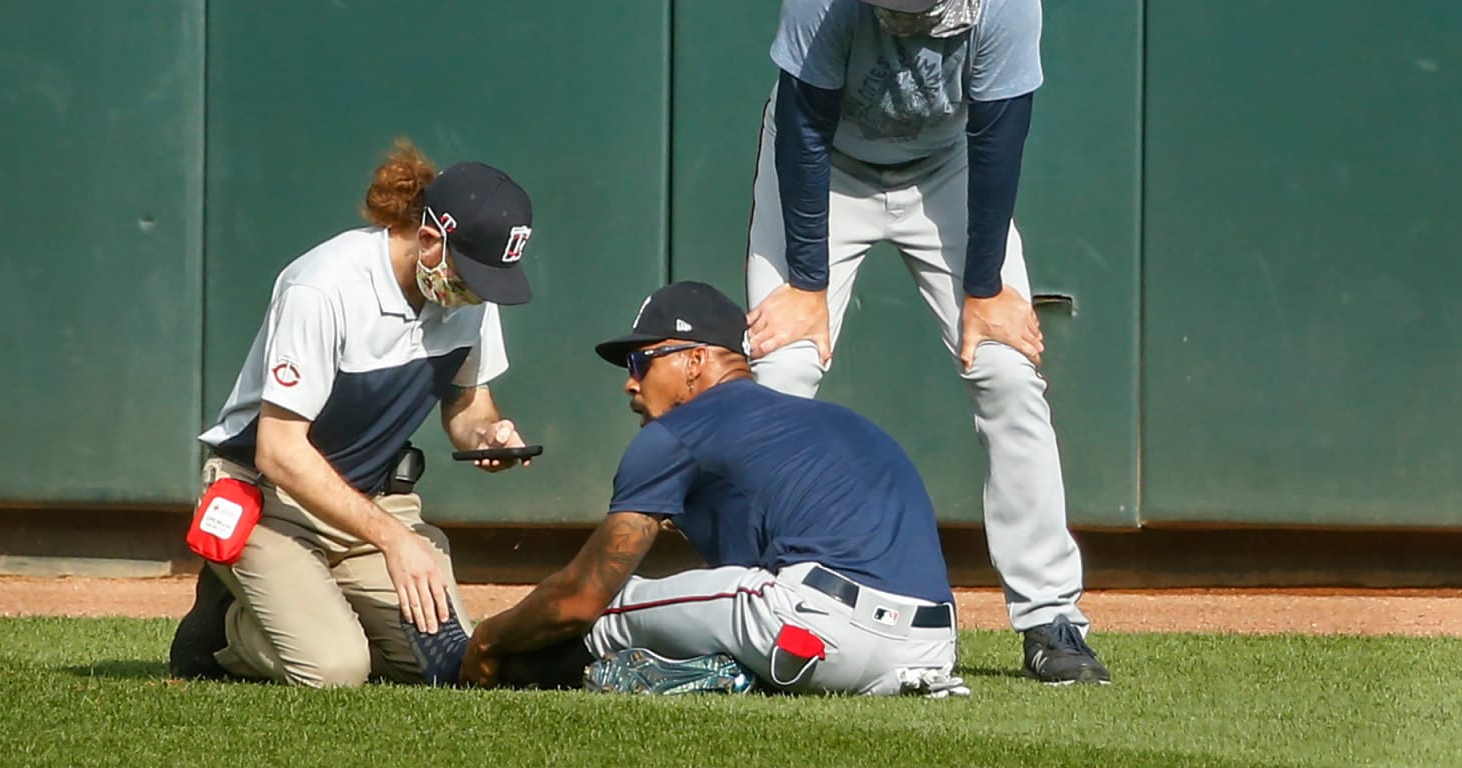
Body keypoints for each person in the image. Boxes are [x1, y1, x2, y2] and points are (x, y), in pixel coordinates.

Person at [743, 0, 1110, 683]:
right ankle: (755, 604)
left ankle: (1051, 617)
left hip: (949, 167)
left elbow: (1000, 134)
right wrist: (807, 283)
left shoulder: (1005, 6)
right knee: (781, 371)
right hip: (825, 164)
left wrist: (985, 289)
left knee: (1007, 372)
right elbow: (803, 123)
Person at [455, 281, 969, 697]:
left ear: (695, 361)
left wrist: (487, 640)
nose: (630, 383)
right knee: (718, 599)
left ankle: (492, 673)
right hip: (929, 652)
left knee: (612, 607)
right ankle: (713, 670)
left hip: (816, 632)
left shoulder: (678, 432)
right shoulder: (833, 423)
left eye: (641, 362)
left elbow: (579, 598)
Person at [168, 139, 537, 688]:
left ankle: (313, 607)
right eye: (473, 275)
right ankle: (223, 629)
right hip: (268, 500)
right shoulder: (323, 286)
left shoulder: (467, 296)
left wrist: (487, 433)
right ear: (430, 240)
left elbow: (467, 402)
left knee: (443, 667)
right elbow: (279, 452)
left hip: (368, 500)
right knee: (335, 670)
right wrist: (395, 539)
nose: (480, 293)